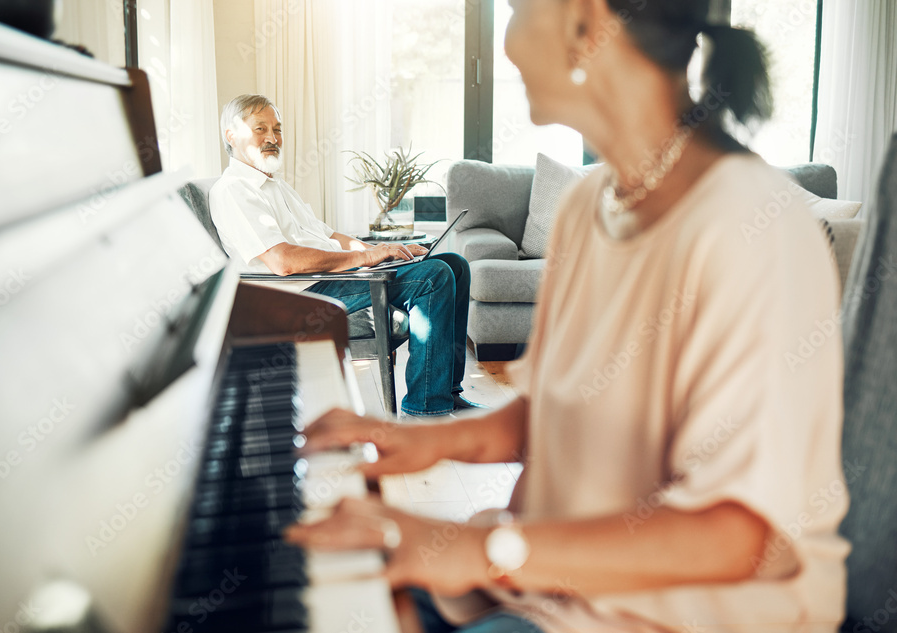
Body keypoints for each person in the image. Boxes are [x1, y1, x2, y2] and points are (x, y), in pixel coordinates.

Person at [285, 0, 849, 632]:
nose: (509, 42)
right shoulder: (587, 205)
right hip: (548, 586)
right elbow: (553, 413)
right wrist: (416, 438)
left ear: (584, 20)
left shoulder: (754, 226)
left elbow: (737, 537)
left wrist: (478, 550)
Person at [209, 94, 481, 417]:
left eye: (277, 129)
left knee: (455, 265)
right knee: (433, 277)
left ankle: (449, 393)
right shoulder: (234, 190)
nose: (272, 138)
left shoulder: (276, 186)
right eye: (260, 129)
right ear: (231, 135)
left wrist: (383, 252)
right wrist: (366, 259)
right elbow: (282, 261)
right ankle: (427, 407)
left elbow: (328, 236)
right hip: (301, 294)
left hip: (332, 277)